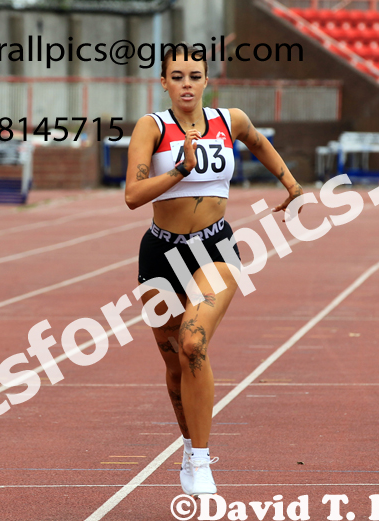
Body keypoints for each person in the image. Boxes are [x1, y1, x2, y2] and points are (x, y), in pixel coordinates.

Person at [124, 43, 303, 496]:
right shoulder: (152, 127)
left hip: (216, 248)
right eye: (177, 76)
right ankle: (189, 445)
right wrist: (179, 171)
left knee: (192, 343)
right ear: (163, 82)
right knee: (172, 365)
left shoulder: (230, 121)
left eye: (194, 75)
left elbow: (259, 142)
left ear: (207, 80)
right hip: (160, 255)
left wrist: (291, 183)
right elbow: (133, 194)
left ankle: (201, 461)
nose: (187, 83)